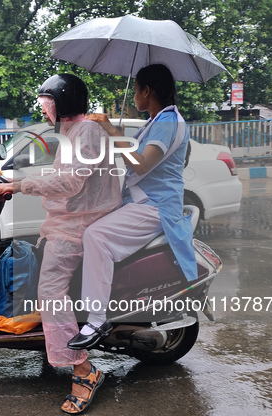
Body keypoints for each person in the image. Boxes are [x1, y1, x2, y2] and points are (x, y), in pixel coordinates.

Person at [0, 74, 122, 414]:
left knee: (49, 290)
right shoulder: (75, 131)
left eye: (48, 104)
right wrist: (14, 177)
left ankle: (84, 371)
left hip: (80, 224)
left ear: (63, 102)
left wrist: (17, 187)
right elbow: (61, 172)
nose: (45, 111)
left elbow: (72, 181)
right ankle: (57, 344)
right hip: (69, 221)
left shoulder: (87, 131)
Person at [67, 63, 199, 350]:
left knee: (96, 236)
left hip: (155, 207)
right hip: (143, 201)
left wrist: (109, 128)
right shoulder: (158, 120)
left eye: (137, 89)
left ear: (147, 90)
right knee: (87, 227)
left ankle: (96, 318)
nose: (136, 95)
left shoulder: (167, 122)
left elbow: (141, 163)